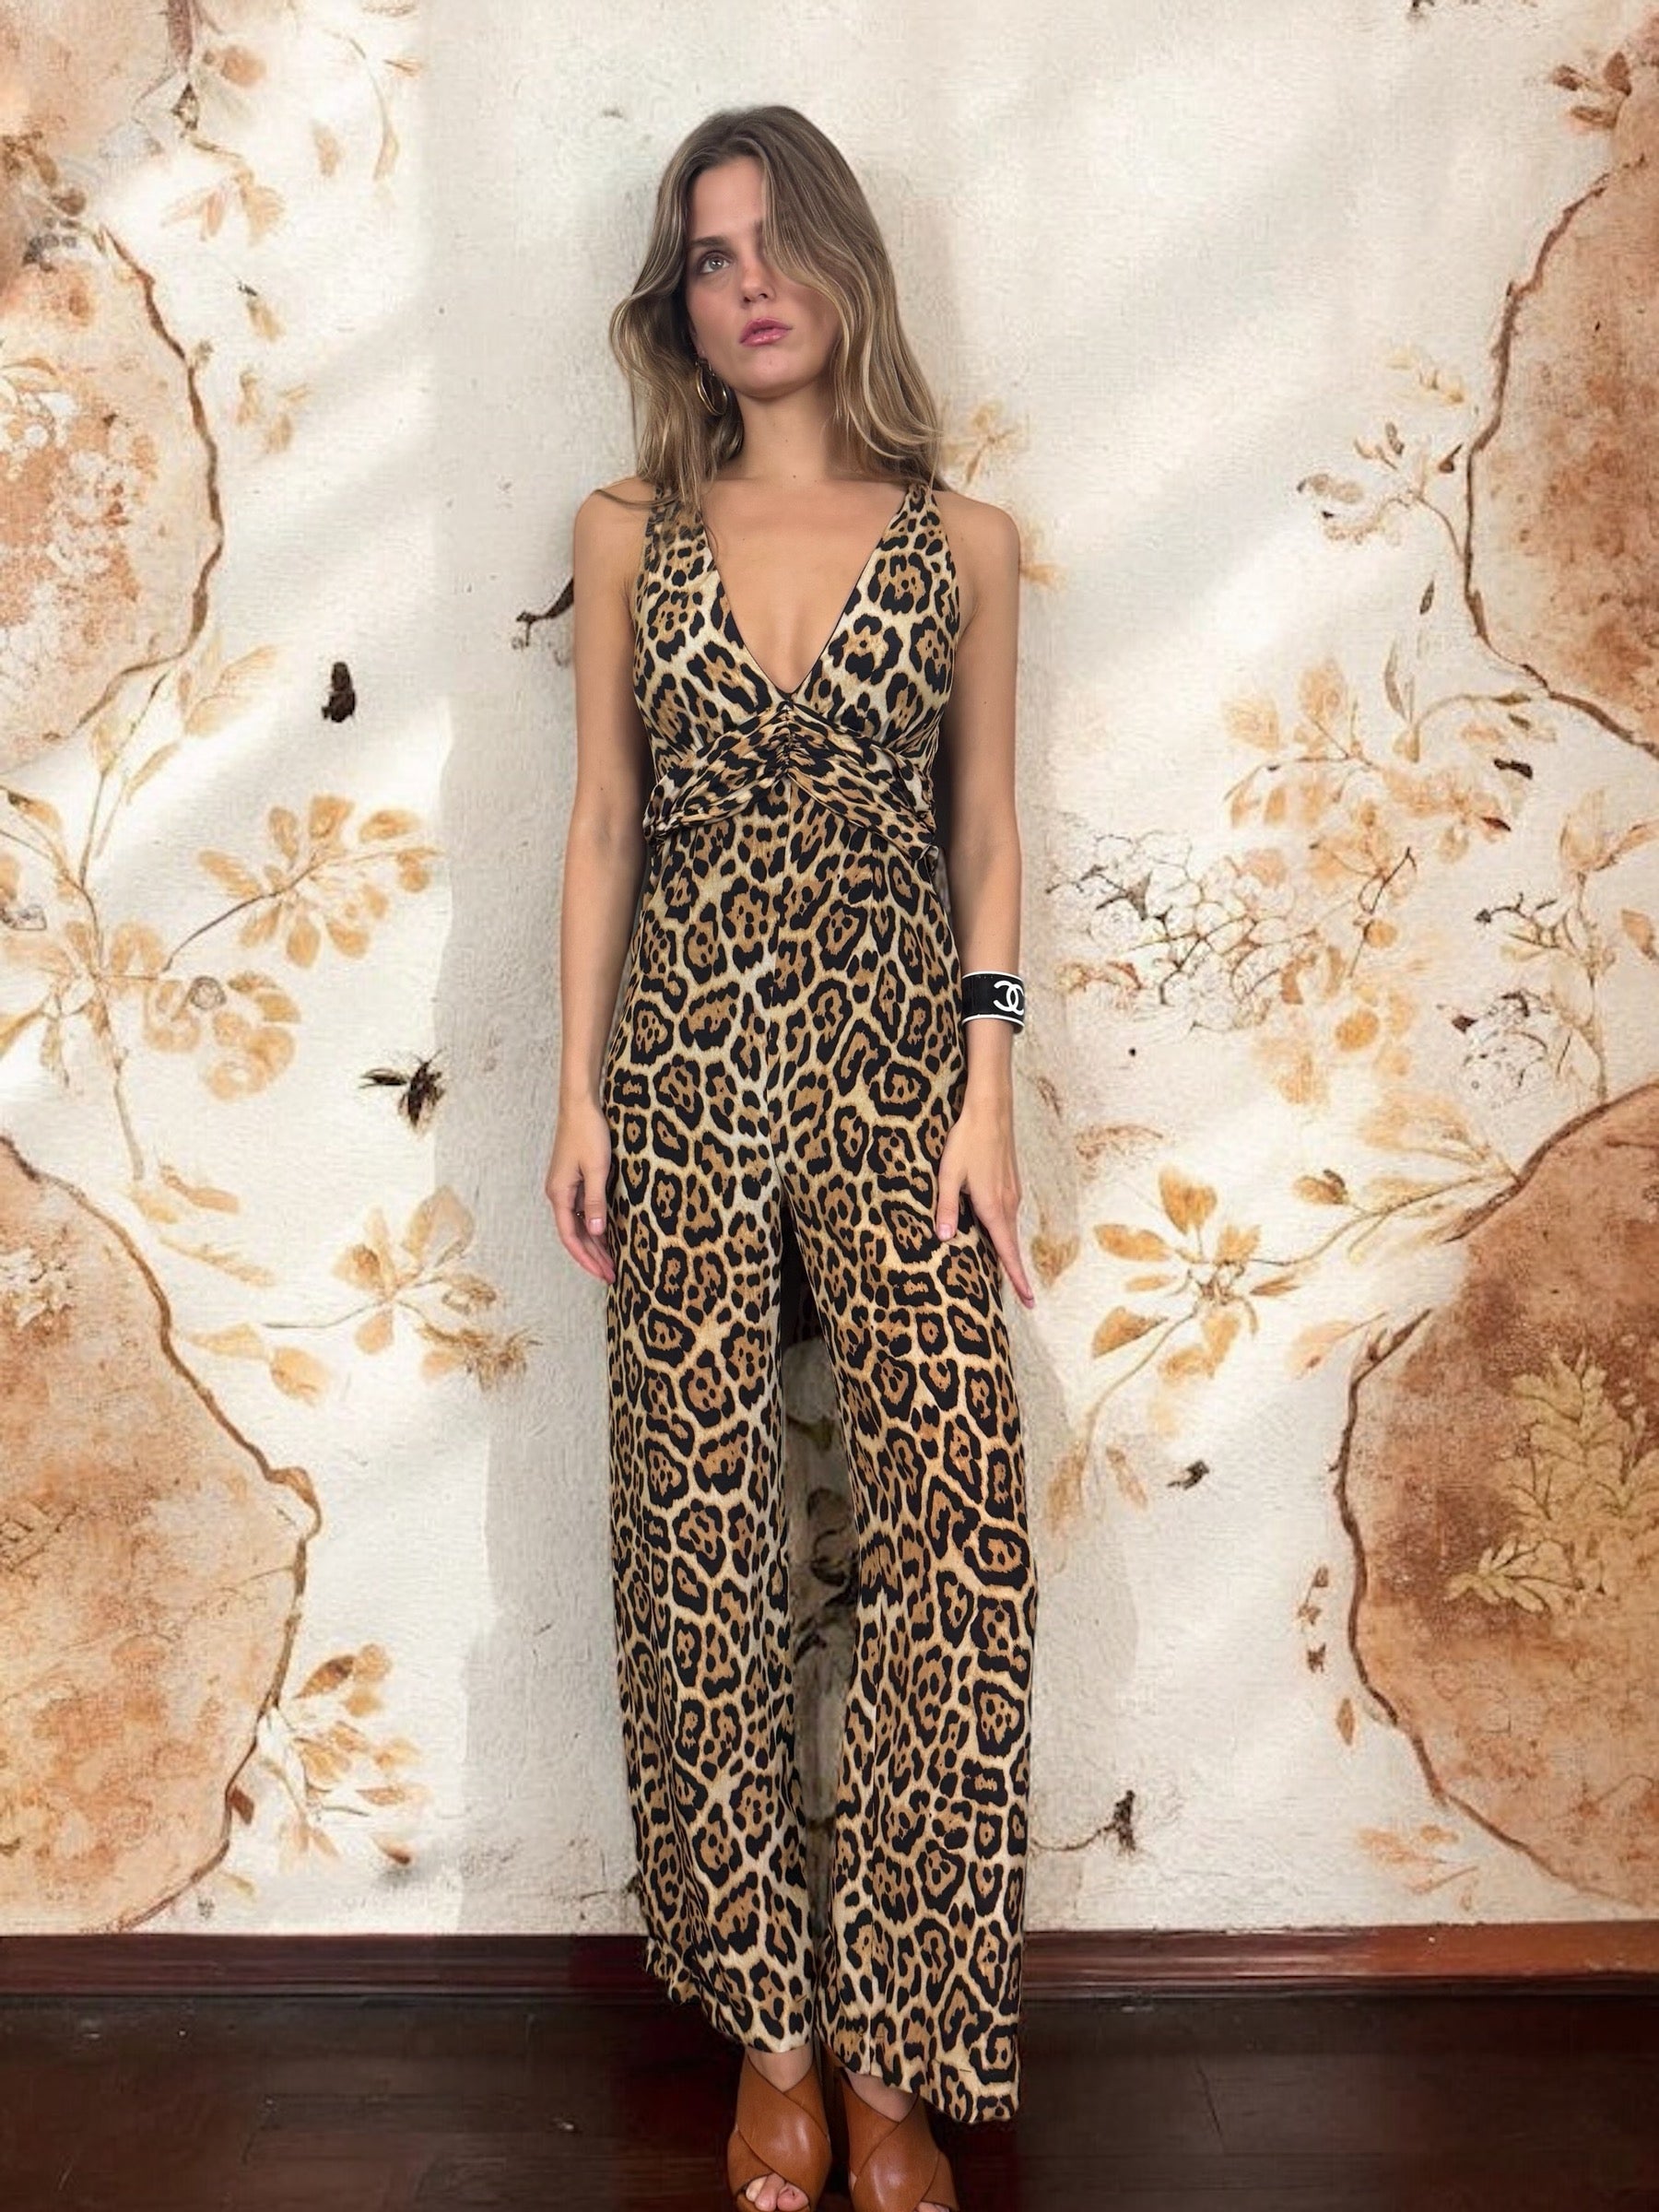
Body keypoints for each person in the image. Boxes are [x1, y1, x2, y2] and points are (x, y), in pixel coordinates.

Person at [545, 102, 1037, 2212]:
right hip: (679, 1070)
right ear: (681, 303)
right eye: (708, 257)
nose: (747, 287)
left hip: (902, 1072)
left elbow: (984, 833)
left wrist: (989, 1093)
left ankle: (901, 2057)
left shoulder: (963, 542)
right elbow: (604, 825)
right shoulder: (624, 531)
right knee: (703, 1549)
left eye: (774, 244)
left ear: (842, 260)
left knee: (954, 1545)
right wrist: (578, 1093)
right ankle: (771, 2039)